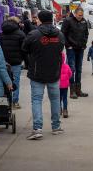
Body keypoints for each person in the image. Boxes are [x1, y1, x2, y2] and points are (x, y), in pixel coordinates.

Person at [23, 10, 65, 140]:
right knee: (55, 99)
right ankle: (56, 126)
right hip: (54, 72)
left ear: (39, 20)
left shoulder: (34, 34)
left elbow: (24, 48)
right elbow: (61, 48)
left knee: (36, 100)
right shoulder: (59, 34)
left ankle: (37, 129)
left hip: (37, 72)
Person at [61, 7, 89, 99]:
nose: (81, 17)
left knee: (79, 69)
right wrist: (67, 45)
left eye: (82, 15)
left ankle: (78, 90)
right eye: (79, 15)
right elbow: (63, 34)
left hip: (80, 48)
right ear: (75, 13)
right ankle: (72, 91)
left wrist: (84, 44)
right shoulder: (68, 21)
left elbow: (86, 33)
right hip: (71, 48)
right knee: (72, 69)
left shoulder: (84, 22)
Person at [0, 16, 26, 109]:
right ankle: (15, 102)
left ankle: (7, 101)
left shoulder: (2, 34)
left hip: (4, 62)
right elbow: (24, 49)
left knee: (5, 80)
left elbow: (0, 48)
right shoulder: (20, 34)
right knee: (16, 81)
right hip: (16, 62)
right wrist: (23, 59)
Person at [60, 52, 72, 118]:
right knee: (65, 98)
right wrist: (67, 78)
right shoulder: (66, 66)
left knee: (59, 98)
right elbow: (70, 74)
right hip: (65, 85)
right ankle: (65, 110)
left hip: (58, 85)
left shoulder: (56, 66)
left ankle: (59, 109)